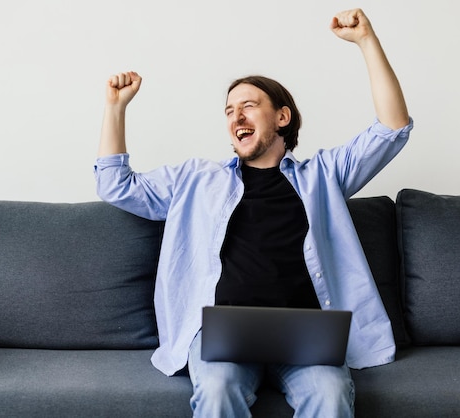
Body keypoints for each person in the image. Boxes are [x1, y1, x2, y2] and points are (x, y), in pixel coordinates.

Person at [95, 8, 412, 418]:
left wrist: (367, 41)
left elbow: (392, 128)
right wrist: (115, 107)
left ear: (282, 117)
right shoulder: (196, 180)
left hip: (305, 336)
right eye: (229, 111)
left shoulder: (323, 176)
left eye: (248, 106)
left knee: (331, 396)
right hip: (220, 335)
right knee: (216, 388)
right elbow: (115, 184)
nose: (236, 117)